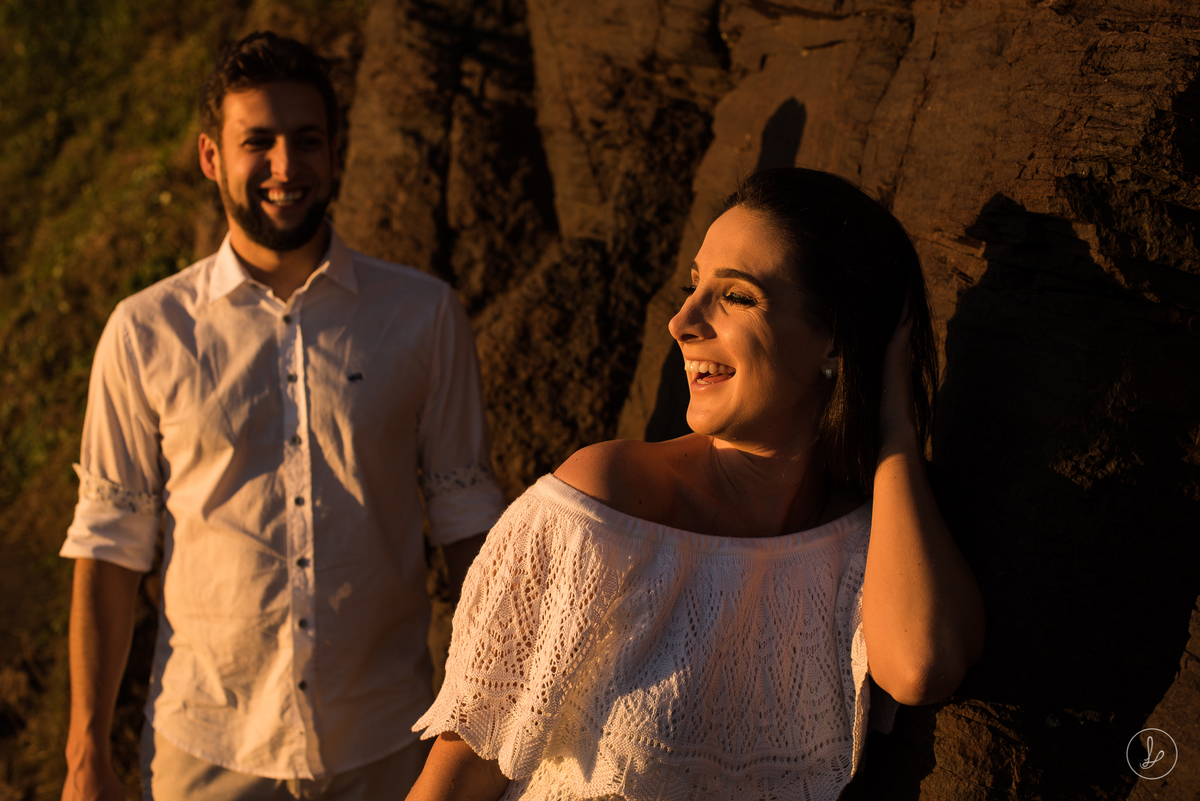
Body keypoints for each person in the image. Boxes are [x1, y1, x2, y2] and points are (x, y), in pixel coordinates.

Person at [403, 168, 986, 801]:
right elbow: (456, 782)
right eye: (694, 285)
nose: (682, 320)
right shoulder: (602, 505)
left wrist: (897, 429)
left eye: (735, 296)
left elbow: (921, 666)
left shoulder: (870, 543)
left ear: (834, 341)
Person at [59, 31, 506, 801]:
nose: (285, 166)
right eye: (256, 142)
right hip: (207, 747)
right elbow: (110, 548)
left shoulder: (423, 315)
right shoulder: (145, 331)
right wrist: (84, 753)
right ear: (210, 156)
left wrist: (492, 713)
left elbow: (469, 521)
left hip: (386, 740)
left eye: (306, 140)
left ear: (337, 151)